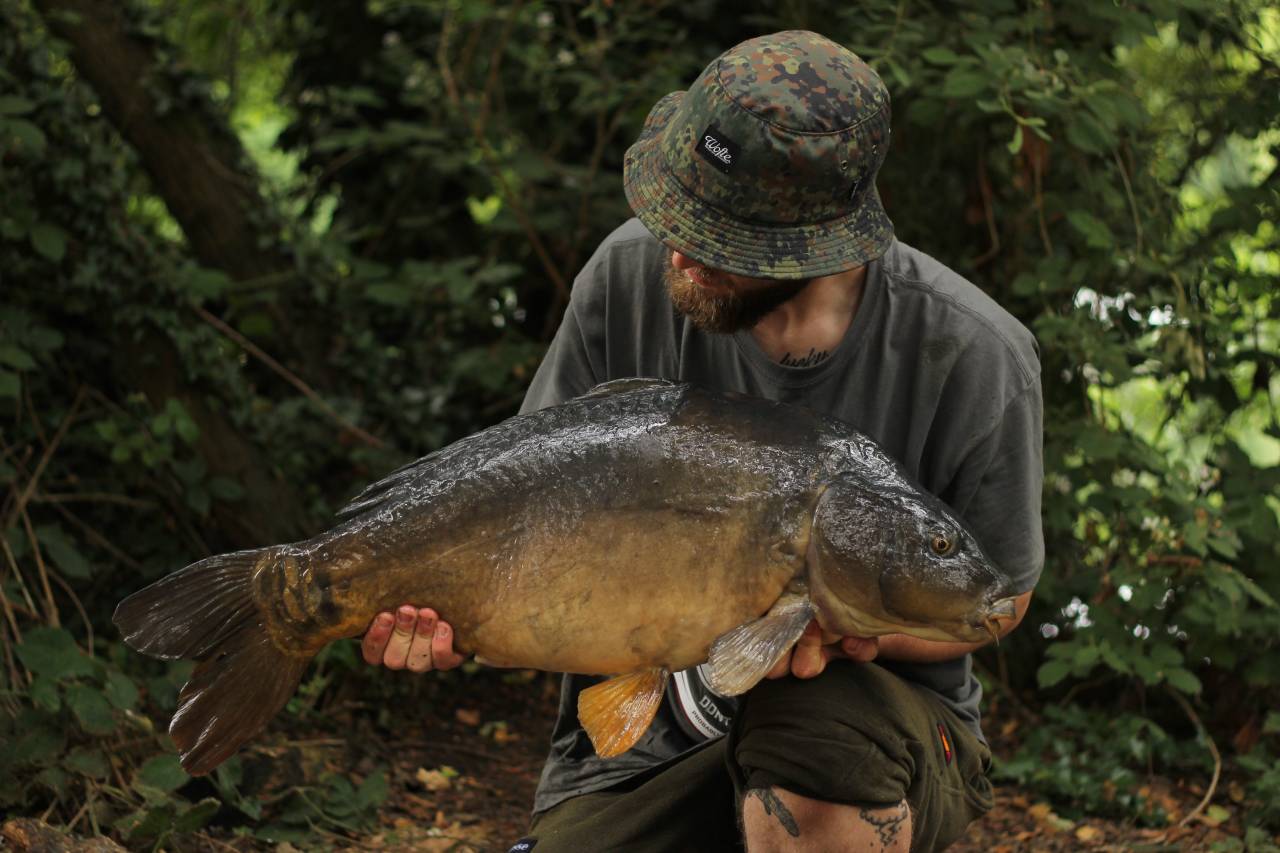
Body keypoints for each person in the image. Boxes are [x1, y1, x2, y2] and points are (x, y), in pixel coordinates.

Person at [361, 30, 1043, 852]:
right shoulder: (625, 277)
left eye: (721, 236)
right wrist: (448, 607)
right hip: (640, 741)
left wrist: (833, 626)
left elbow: (998, 600)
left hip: (878, 735)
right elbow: (520, 518)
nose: (679, 249)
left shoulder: (974, 352)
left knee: (814, 738)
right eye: (677, 209)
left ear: (814, 243)